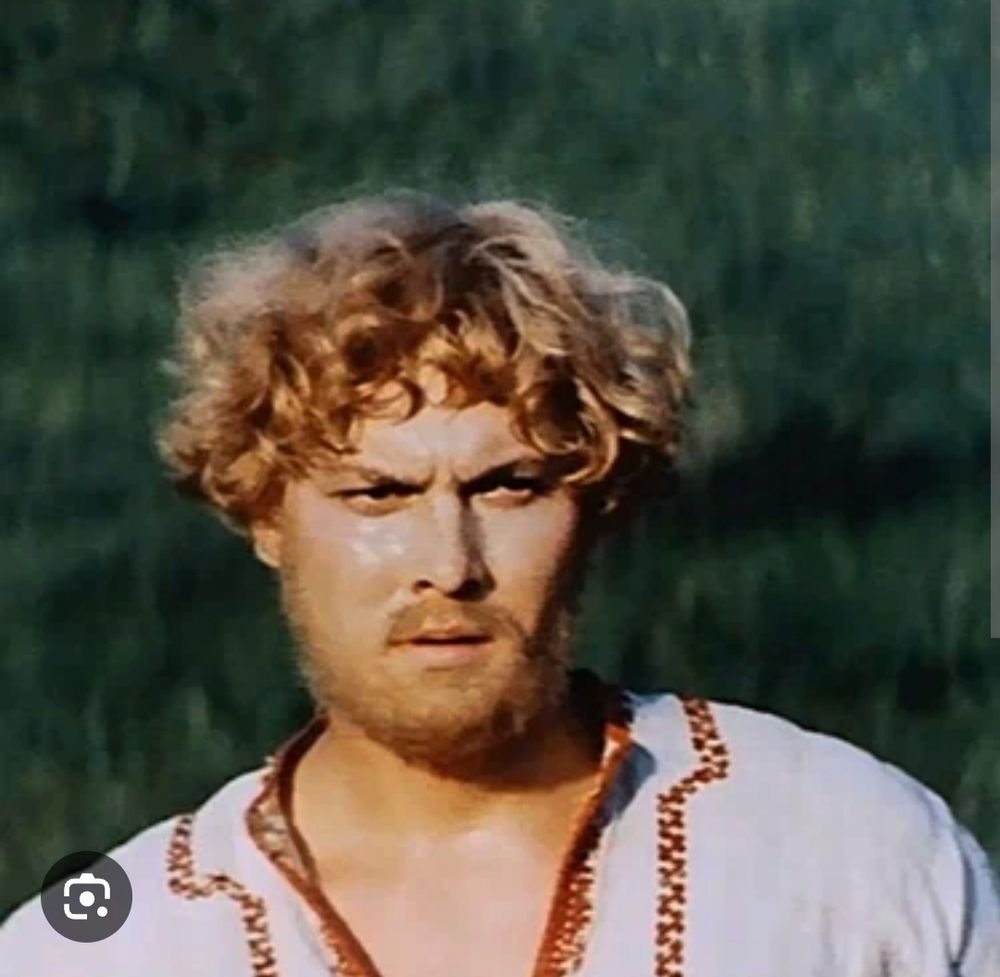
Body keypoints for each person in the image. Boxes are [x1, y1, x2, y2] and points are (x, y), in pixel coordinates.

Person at [2, 192, 997, 977]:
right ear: (266, 513)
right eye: (378, 493)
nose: (450, 561)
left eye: (508, 485)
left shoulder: (846, 852)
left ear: (594, 501)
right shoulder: (106, 946)